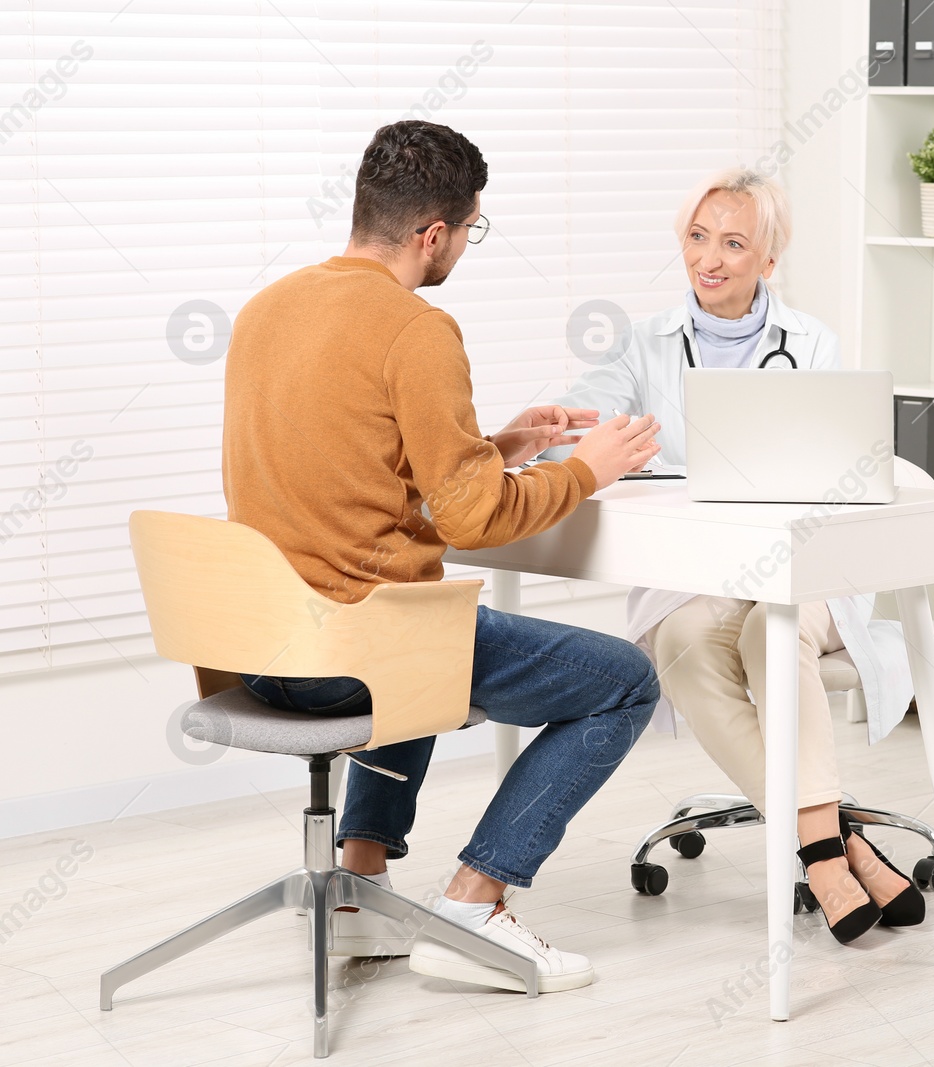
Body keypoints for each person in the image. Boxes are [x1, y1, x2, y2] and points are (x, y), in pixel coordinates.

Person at [221, 120, 663, 993]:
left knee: (426, 617)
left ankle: (358, 891)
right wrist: (587, 468)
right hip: (353, 656)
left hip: (260, 648)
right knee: (623, 680)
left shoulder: (266, 308)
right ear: (434, 235)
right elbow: (474, 521)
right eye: (469, 230)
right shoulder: (416, 328)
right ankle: (475, 899)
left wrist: (495, 445)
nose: (464, 245)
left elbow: (344, 470)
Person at [544, 168, 925, 943]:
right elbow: (580, 423)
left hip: (808, 569)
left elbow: (845, 463)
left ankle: (819, 856)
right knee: (681, 642)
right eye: (696, 236)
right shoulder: (642, 345)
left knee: (768, 634)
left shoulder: (812, 343)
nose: (708, 258)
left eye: (733, 242)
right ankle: (837, 841)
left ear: (769, 260)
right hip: (702, 582)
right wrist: (575, 434)